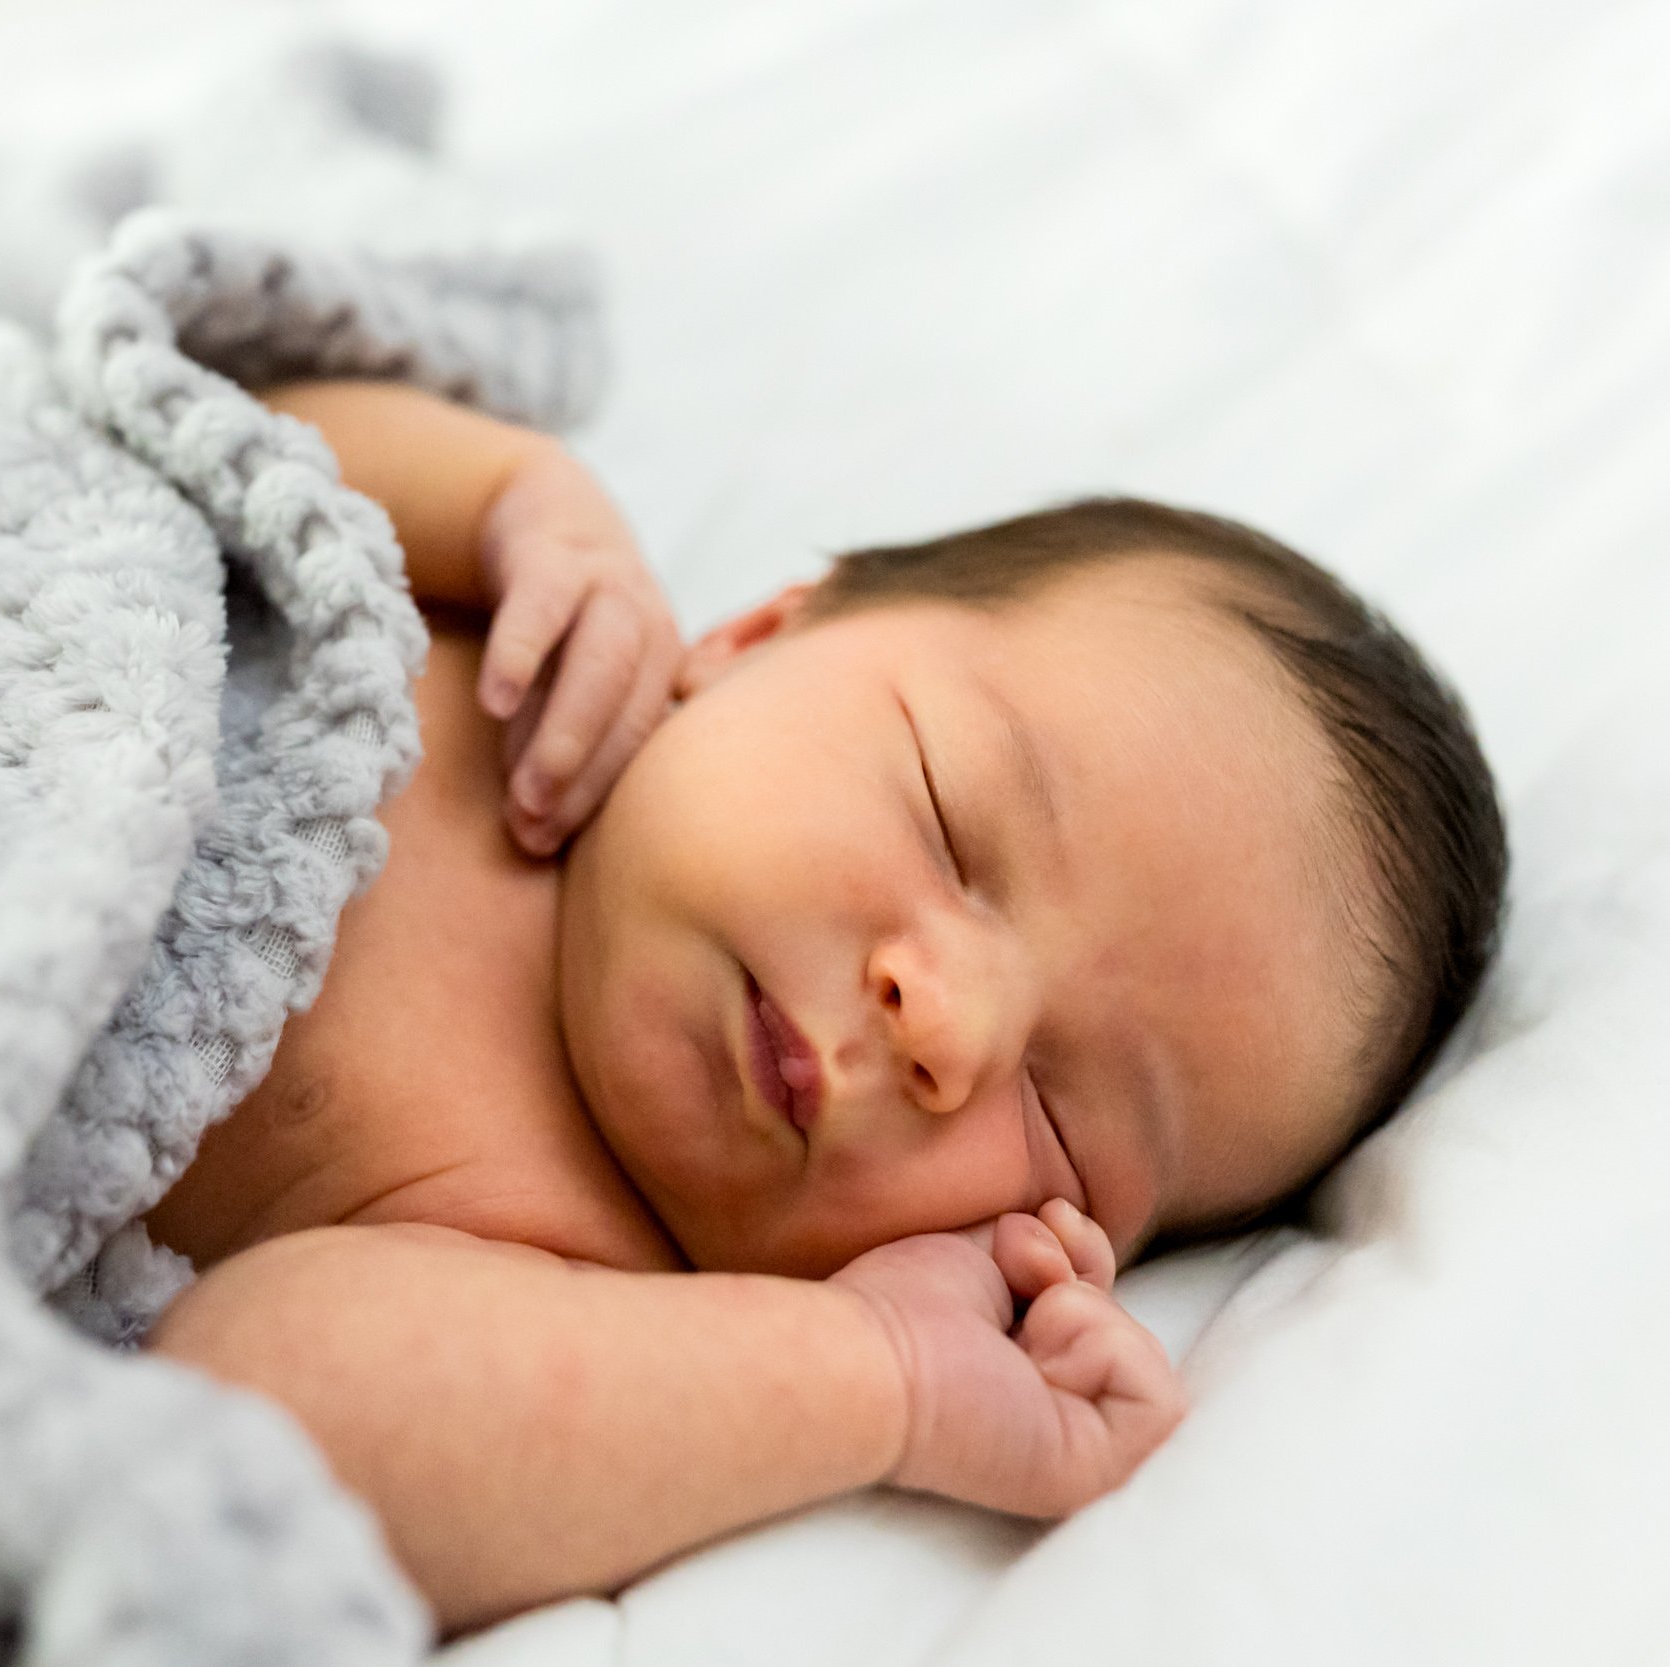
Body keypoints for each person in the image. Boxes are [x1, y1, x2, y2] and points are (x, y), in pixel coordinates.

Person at [140, 379, 1506, 1634]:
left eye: (1063, 1119)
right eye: (952, 827)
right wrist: (506, 494)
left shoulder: (585, 1294)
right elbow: (199, 436)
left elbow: (246, 1428)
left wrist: (877, 1374)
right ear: (755, 637)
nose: (946, 1027)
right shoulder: (525, 628)